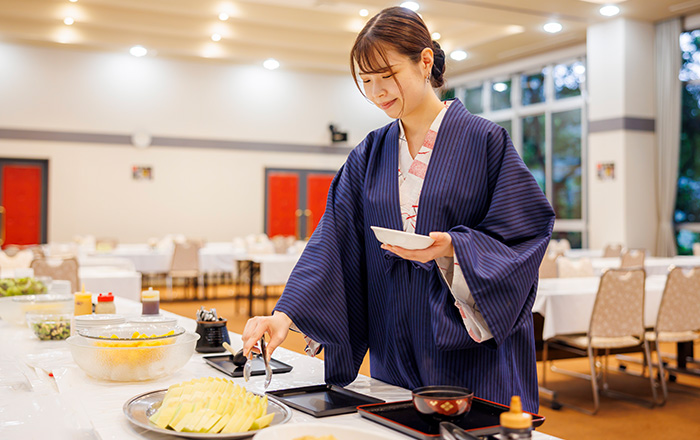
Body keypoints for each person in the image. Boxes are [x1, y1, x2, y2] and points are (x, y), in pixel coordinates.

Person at [242, 6, 555, 412]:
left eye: (387, 76)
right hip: (394, 335)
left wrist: (453, 248)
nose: (377, 92)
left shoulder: (485, 141)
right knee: (399, 423)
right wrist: (284, 315)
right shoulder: (369, 153)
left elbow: (524, 231)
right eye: (367, 81)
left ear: (425, 61)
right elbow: (333, 241)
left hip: (465, 342)